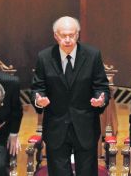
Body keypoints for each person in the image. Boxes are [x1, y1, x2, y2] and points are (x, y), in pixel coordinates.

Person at [30, 16, 110, 176]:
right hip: (56, 126)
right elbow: (37, 88)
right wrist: (39, 100)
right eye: (63, 35)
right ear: (55, 36)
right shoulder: (44, 57)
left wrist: (100, 100)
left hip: (85, 125)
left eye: (72, 35)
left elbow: (101, 87)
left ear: (78, 34)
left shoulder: (92, 55)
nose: (68, 39)